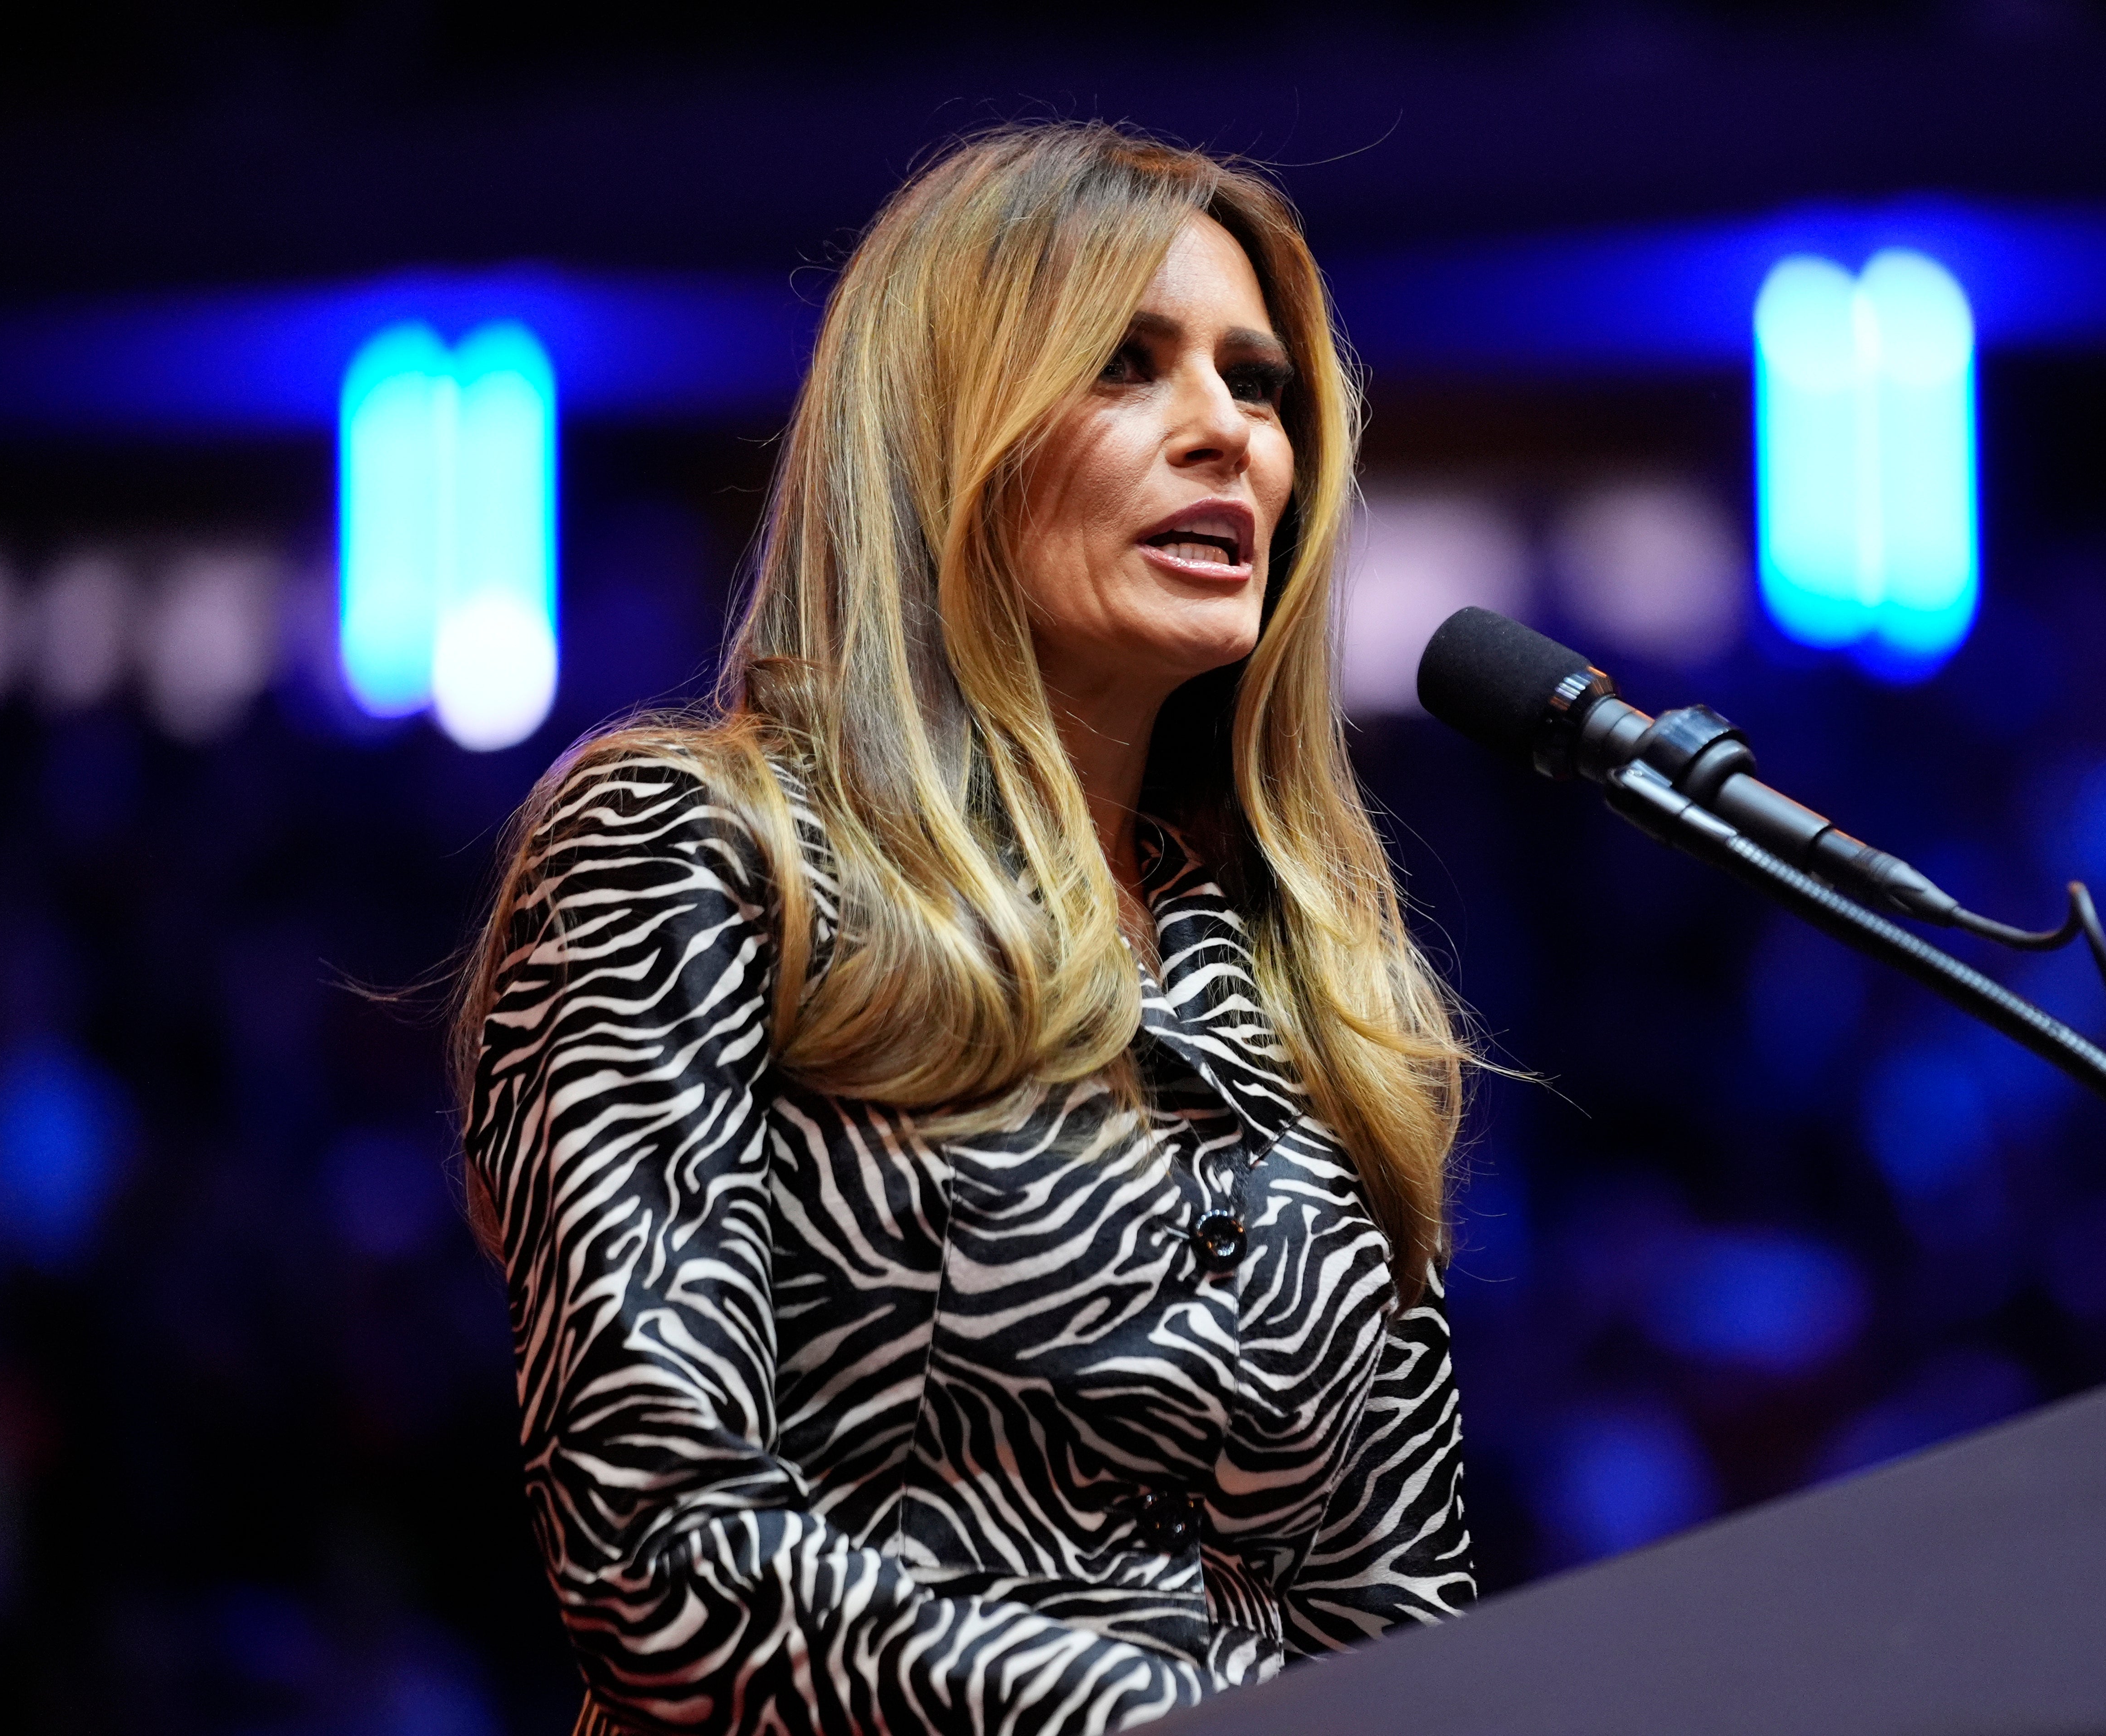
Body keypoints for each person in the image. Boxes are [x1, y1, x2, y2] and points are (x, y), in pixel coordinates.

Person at [455, 122, 1476, 1736]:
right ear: (946, 432)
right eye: (1124, 365)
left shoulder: (1304, 971)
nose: (1227, 430)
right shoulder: (699, 850)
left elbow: (1399, 1617)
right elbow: (664, 1557)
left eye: (1261, 382)